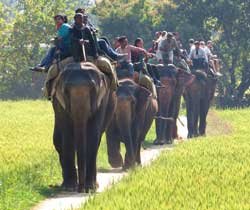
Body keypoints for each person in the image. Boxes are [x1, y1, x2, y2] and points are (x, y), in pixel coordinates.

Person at [71, 13, 118, 89]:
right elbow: (71, 39)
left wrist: (95, 53)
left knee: (107, 65)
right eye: (79, 18)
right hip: (76, 55)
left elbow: (92, 42)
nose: (81, 19)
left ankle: (113, 85)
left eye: (82, 18)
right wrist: (78, 41)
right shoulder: (72, 29)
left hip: (89, 54)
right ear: (75, 19)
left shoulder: (86, 29)